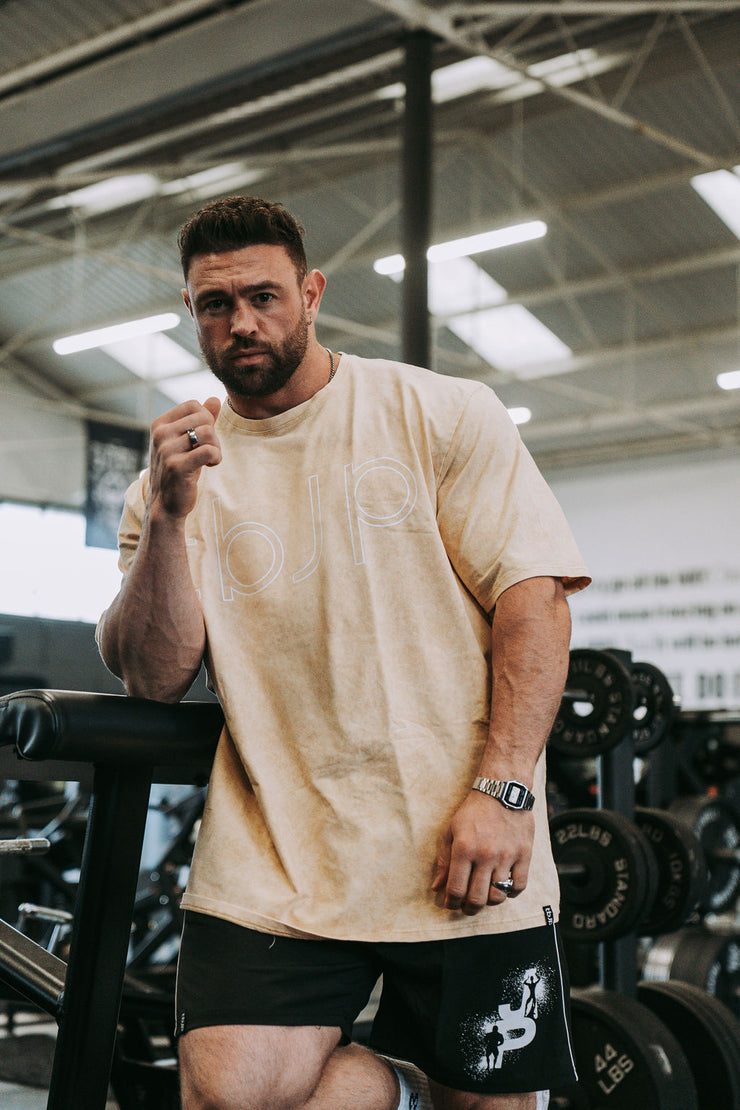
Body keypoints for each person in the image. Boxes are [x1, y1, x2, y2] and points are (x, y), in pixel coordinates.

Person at [97, 195, 591, 1110]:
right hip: (277, 858)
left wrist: (506, 788)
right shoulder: (172, 480)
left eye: (263, 295)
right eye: (215, 303)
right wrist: (168, 517)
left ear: (312, 292)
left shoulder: (438, 412)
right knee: (228, 1099)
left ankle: (413, 1080)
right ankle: (395, 1083)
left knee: (483, 1103)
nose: (241, 321)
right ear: (191, 312)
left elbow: (534, 597)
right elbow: (151, 674)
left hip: (458, 835)